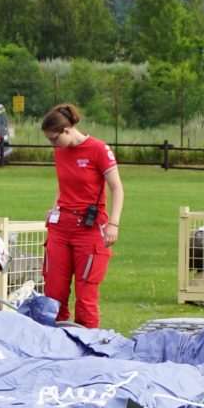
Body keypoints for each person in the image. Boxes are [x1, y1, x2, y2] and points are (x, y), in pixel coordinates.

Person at [39, 101, 123, 329]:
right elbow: (63, 185)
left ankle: (87, 347)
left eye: (54, 139)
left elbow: (117, 188)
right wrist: (55, 207)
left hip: (89, 228)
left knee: (86, 294)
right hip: (61, 227)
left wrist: (113, 224)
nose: (53, 146)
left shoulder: (98, 149)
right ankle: (55, 339)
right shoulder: (60, 152)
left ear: (66, 130)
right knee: (53, 291)